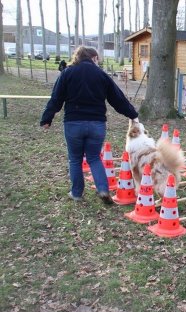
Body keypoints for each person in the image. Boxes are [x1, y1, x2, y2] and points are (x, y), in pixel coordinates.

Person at [40, 46, 139, 204]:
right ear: (93, 58)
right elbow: (117, 98)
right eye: (97, 59)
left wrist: (46, 119)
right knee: (94, 158)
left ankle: (77, 193)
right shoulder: (101, 75)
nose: (98, 62)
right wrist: (133, 114)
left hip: (73, 123)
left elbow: (56, 98)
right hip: (97, 124)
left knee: (75, 159)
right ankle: (103, 189)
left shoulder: (67, 73)